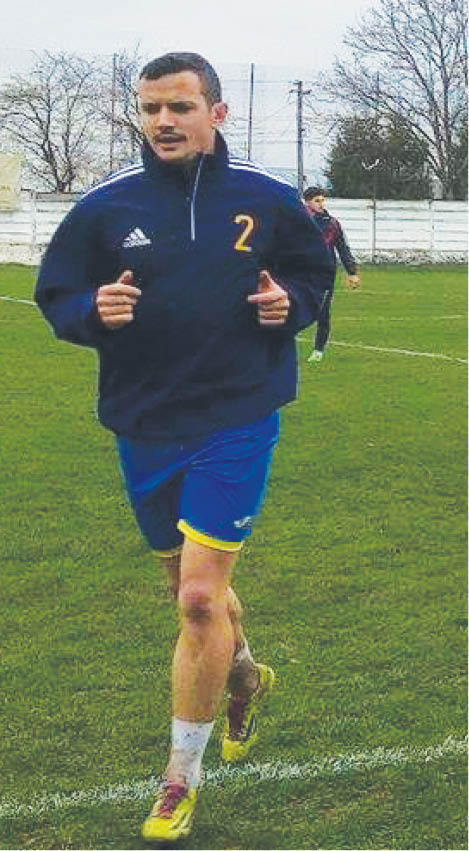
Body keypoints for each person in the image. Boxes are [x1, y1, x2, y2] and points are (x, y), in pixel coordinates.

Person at [35, 52, 334, 843]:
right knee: (188, 591)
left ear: (216, 113)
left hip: (237, 415)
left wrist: (289, 303)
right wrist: (91, 309)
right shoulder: (105, 207)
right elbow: (56, 292)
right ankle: (245, 676)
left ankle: (179, 775)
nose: (162, 121)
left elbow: (311, 276)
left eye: (179, 106)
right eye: (150, 108)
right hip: (143, 420)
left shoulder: (266, 199)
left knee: (200, 597)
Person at [303, 186, 360, 363]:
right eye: (317, 201)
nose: (321, 204)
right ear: (307, 202)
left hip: (325, 273)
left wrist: (352, 272)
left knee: (323, 311)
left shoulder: (332, 224)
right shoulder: (299, 221)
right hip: (301, 271)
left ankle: (318, 350)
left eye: (322, 200)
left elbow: (342, 248)